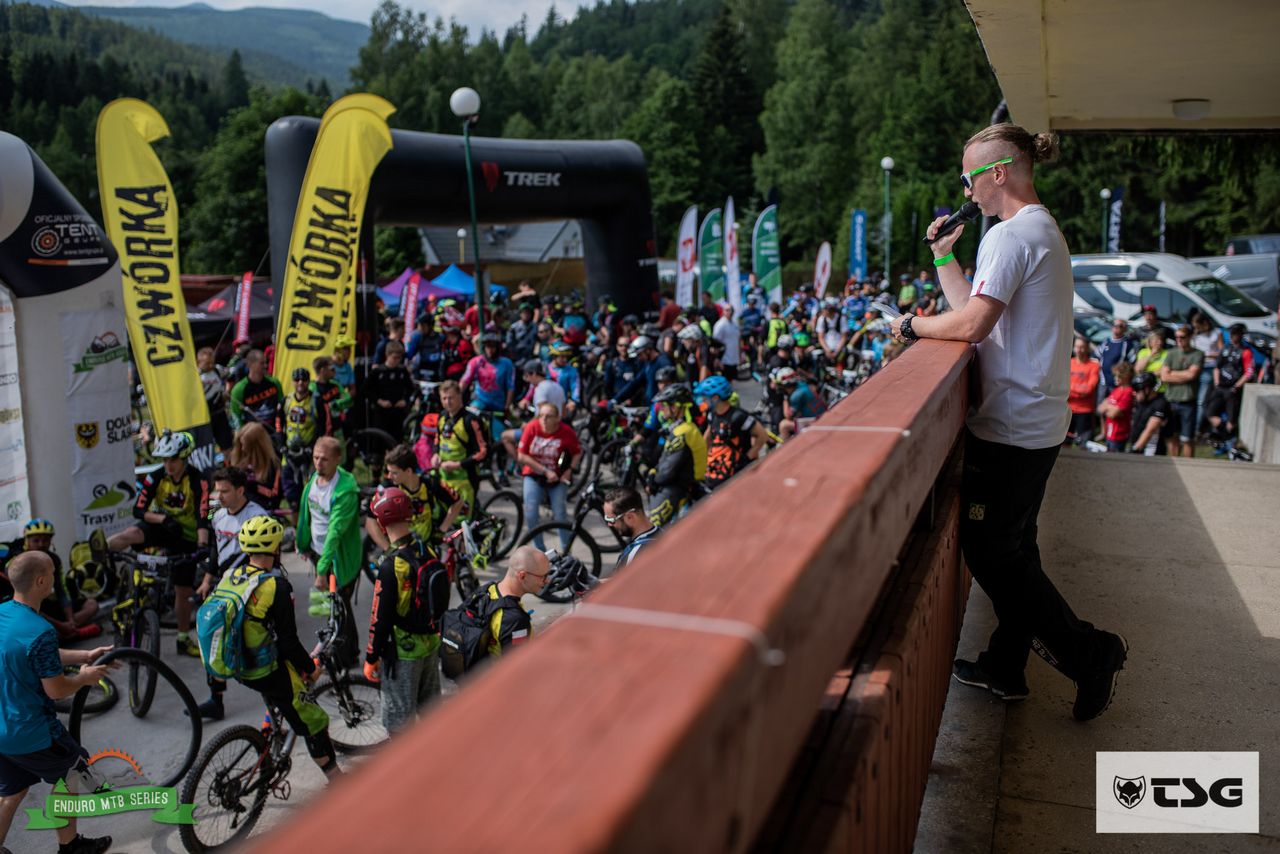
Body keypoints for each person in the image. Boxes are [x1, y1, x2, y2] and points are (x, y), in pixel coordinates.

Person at [889, 122, 1126, 721]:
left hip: (1011, 427)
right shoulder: (1039, 229)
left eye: (967, 178)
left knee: (992, 552)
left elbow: (970, 327)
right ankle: (1005, 665)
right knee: (1016, 548)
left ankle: (1091, 654)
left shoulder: (1009, 235)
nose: (964, 192)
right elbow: (973, 311)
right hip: (1034, 421)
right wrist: (943, 255)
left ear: (997, 172)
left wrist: (909, 326)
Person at [0, 552, 115, 854]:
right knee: (71, 774)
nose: (55, 576)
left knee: (12, 792)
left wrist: (84, 655)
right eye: (52, 572)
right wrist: (84, 678)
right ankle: (70, 847)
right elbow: (56, 690)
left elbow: (31, 653)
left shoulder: (4, 613)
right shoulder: (41, 631)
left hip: (2, 729)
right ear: (41, 581)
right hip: (32, 731)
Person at [217, 516, 341, 778]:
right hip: (263, 669)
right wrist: (311, 669)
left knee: (281, 695)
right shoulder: (276, 586)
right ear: (275, 548)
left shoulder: (231, 575)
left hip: (237, 663)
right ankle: (337, 779)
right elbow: (288, 643)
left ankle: (270, 738)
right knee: (314, 721)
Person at [107, 430, 209, 657]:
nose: (168, 465)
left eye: (173, 460)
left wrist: (202, 546)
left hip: (186, 537)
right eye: (164, 460)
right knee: (133, 532)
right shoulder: (156, 476)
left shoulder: (198, 479)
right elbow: (139, 510)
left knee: (183, 590)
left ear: (184, 458)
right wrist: (163, 519)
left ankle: (182, 638)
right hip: (162, 526)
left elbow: (203, 515)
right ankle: (101, 551)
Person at [193, 466, 268, 720]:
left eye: (224, 491)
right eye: (217, 490)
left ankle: (273, 703)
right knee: (212, 635)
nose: (219, 496)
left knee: (256, 645)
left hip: (249, 588)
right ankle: (216, 700)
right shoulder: (216, 512)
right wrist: (207, 579)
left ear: (240, 490)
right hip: (224, 587)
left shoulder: (257, 516)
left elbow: (268, 557)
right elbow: (215, 548)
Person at [364, 488, 441, 733]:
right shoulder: (427, 550)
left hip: (403, 653)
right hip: (431, 643)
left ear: (381, 521)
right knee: (433, 715)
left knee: (399, 726)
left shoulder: (391, 565)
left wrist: (371, 657)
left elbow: (380, 618)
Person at [295, 437, 361, 661]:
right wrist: (303, 544)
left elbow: (335, 532)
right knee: (335, 606)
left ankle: (343, 657)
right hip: (319, 554)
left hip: (338, 560)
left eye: (324, 459)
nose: (318, 463)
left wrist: (323, 570)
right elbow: (306, 514)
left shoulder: (345, 491)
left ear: (338, 459)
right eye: (315, 457)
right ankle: (346, 651)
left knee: (339, 606)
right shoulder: (314, 479)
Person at [364, 445, 464, 556]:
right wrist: (389, 549)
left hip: (427, 547)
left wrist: (441, 530)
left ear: (408, 471)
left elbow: (458, 502)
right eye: (388, 471)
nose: (389, 476)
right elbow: (370, 522)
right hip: (401, 552)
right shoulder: (387, 489)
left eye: (394, 473)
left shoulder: (430, 483)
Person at [516, 402, 582, 551]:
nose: (544, 419)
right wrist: (545, 471)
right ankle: (541, 550)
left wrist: (570, 470)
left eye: (548, 416)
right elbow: (521, 456)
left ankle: (566, 550)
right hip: (534, 474)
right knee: (531, 513)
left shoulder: (566, 432)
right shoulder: (532, 427)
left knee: (560, 513)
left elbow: (577, 452)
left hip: (558, 477)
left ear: (558, 418)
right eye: (541, 416)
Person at [647, 384, 707, 527]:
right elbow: (666, 460)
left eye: (664, 406)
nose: (661, 409)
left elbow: (668, 470)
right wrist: (654, 471)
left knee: (650, 531)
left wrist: (654, 481)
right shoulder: (685, 428)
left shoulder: (682, 433)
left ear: (674, 408)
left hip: (679, 489)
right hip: (684, 485)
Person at [696, 376, 767, 489]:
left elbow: (762, 436)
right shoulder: (712, 414)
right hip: (717, 470)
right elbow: (708, 436)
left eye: (705, 398)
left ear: (715, 398)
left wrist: (748, 458)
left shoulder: (739, 416)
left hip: (737, 473)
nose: (702, 401)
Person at [282, 367, 333, 514]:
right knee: (292, 498)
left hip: (310, 454)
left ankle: (312, 523)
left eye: (304, 380)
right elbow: (279, 424)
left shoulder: (316, 401)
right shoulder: (286, 401)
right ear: (293, 381)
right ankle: (295, 525)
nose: (300, 383)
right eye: (297, 379)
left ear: (308, 381)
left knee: (312, 494)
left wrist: (315, 447)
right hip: (289, 453)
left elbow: (324, 427)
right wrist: (281, 445)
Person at [434, 381, 489, 515]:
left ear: (460, 396)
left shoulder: (471, 421)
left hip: (465, 478)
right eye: (444, 398)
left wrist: (458, 465)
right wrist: (435, 454)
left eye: (451, 398)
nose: (447, 402)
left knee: (462, 520)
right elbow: (438, 439)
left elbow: (483, 452)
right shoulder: (442, 416)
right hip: (444, 476)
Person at [483, 547, 549, 659]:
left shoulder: (488, 589)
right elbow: (521, 664)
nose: (547, 581)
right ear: (522, 576)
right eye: (543, 577)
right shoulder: (515, 620)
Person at [502, 360, 567, 466]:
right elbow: (564, 413)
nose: (526, 379)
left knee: (505, 436)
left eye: (527, 376)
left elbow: (543, 415)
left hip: (542, 430)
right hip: (558, 427)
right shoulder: (558, 387)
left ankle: (522, 464)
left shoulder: (540, 389)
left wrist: (528, 425)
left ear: (534, 374)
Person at [1204, 323, 1256, 445]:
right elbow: (1217, 366)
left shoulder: (1246, 351)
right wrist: (1217, 383)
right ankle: (1226, 435)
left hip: (1233, 389)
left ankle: (1231, 443)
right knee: (1210, 413)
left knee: (1232, 419)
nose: (1232, 336)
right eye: (1231, 333)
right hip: (1220, 386)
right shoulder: (1226, 348)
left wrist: (1236, 386)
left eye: (1235, 334)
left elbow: (1249, 372)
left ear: (1241, 335)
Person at [1159, 324, 1203, 457]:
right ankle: (1175, 461)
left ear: (1190, 337)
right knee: (1172, 436)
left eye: (1182, 337)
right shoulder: (1171, 353)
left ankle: (1188, 465)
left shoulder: (1197, 354)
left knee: (1187, 438)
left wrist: (1173, 373)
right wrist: (1183, 375)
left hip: (1188, 402)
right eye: (1176, 337)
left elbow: (1192, 375)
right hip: (1171, 400)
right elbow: (1164, 376)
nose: (1179, 340)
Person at [602, 486, 659, 575]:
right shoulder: (664, 533)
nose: (609, 524)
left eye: (611, 520)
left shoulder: (635, 556)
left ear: (630, 517)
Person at [365, 340, 414, 440]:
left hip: (397, 411)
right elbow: (366, 390)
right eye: (394, 358)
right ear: (387, 355)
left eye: (399, 358)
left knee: (397, 438)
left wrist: (405, 400)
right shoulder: (378, 372)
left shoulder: (402, 371)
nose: (397, 361)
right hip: (381, 412)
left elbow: (410, 388)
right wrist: (379, 401)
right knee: (380, 439)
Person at [228, 349, 283, 437]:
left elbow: (282, 407)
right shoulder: (239, 389)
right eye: (262, 363)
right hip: (252, 435)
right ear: (251, 365)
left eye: (266, 362)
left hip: (274, 432)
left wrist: (280, 430)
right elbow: (236, 416)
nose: (265, 366)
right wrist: (242, 436)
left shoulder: (274, 383)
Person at [229, 421, 282, 511]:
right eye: (241, 444)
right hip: (237, 508)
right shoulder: (239, 463)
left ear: (256, 446)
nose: (242, 448)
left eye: (245, 445)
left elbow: (274, 496)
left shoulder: (272, 465)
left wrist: (252, 486)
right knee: (214, 507)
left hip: (262, 510)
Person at [197, 346, 233, 451]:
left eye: (212, 362)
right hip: (205, 416)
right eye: (207, 363)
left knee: (227, 444)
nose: (211, 365)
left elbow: (230, 377)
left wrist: (227, 392)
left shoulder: (217, 370)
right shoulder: (196, 375)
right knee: (207, 447)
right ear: (199, 362)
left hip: (220, 412)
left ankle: (228, 458)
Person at [1066, 336, 1100, 446]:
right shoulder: (1068, 363)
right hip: (1067, 409)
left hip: (1085, 411)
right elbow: (1062, 386)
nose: (1079, 350)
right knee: (1064, 443)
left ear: (1087, 349)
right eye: (1077, 347)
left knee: (1084, 444)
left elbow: (1089, 389)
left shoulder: (1094, 366)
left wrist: (1070, 389)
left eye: (1082, 347)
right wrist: (1078, 390)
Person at [1129, 372, 1173, 455]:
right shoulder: (1141, 402)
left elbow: (1150, 430)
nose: (1134, 392)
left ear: (1147, 389)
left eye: (1137, 389)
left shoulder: (1160, 404)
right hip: (1138, 449)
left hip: (1150, 452)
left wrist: (1135, 448)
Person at [1097, 361, 1135, 453]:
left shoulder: (1128, 392)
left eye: (1119, 376)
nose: (1115, 378)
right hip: (1109, 434)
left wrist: (1108, 407)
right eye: (1115, 375)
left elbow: (1113, 414)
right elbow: (1100, 408)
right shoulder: (1116, 390)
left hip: (1119, 434)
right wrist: (1112, 408)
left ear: (1126, 377)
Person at [1097, 318, 1137, 396]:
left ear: (1125, 329)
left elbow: (1132, 363)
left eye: (1120, 326)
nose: (1116, 327)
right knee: (1100, 403)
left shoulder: (1127, 344)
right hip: (1103, 381)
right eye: (1114, 325)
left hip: (1117, 383)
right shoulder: (1106, 341)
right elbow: (1097, 356)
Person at [713, 304, 742, 380]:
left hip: (734, 359)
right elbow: (715, 343)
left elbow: (738, 340)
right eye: (727, 310)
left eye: (731, 310)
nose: (730, 312)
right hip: (724, 360)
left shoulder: (735, 324)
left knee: (732, 382)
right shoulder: (720, 325)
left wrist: (740, 355)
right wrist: (717, 359)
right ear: (723, 311)